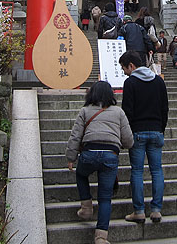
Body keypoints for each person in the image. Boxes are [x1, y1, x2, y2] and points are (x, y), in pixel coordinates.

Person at [66, 81, 134, 244]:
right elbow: (129, 140)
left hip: (89, 153)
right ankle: (101, 237)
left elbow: (75, 136)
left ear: (92, 94)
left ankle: (87, 207)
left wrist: (71, 157)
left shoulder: (85, 111)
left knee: (81, 175)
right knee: (105, 198)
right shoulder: (118, 112)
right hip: (110, 155)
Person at [119, 51, 169, 225]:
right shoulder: (158, 81)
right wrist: (160, 129)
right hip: (156, 131)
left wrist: (129, 133)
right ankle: (156, 210)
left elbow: (127, 112)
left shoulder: (130, 82)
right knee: (157, 171)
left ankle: (139, 211)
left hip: (137, 132)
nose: (124, 71)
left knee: (137, 171)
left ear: (131, 66)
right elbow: (165, 108)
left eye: (124, 68)